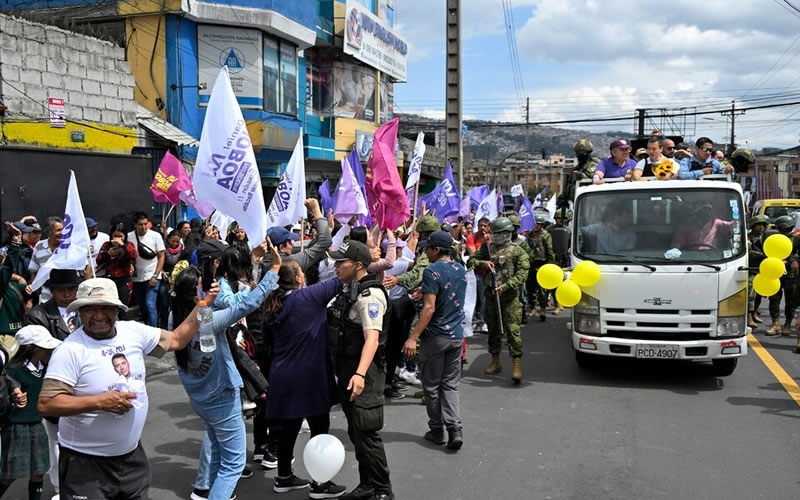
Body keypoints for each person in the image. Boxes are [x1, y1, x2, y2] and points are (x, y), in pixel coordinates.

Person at [37, 276, 217, 500]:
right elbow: (47, 404)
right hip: (85, 465)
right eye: (90, 309)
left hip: (131, 459)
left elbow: (177, 339)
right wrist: (100, 402)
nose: (99, 316)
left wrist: (204, 303)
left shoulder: (133, 332)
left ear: (117, 310)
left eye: (106, 308)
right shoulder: (70, 350)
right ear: (80, 312)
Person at [170, 244, 281, 500]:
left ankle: (208, 492)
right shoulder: (206, 319)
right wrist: (274, 269)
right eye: (203, 286)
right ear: (195, 296)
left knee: (219, 453)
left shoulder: (175, 320)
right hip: (220, 396)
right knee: (234, 464)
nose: (209, 288)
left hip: (200, 397)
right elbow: (247, 304)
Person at [261, 260, 347, 498]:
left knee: (289, 426)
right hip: (310, 374)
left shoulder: (272, 304)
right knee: (320, 427)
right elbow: (342, 279)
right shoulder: (309, 296)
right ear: (299, 279)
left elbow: (267, 341)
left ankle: (284, 477)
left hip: (282, 374)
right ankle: (321, 483)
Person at [327, 241, 393, 500]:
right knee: (356, 432)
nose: (335, 266)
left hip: (364, 372)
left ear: (357, 266)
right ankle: (368, 484)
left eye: (340, 262)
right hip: (348, 370)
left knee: (366, 432)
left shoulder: (370, 295)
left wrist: (360, 374)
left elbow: (372, 339)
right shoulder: (348, 290)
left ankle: (383, 490)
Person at [402, 231, 466, 451]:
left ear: (436, 250)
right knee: (450, 384)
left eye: (428, 248)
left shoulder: (432, 271)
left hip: (436, 337)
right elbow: (447, 296)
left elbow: (429, 308)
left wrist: (413, 337)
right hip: (456, 336)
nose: (425, 251)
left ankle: (437, 430)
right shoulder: (460, 269)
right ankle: (455, 429)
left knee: (431, 386)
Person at [0, 326, 61, 500]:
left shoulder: (44, 368)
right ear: (32, 348)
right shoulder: (13, 371)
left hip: (36, 424)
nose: (49, 351)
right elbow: (4, 397)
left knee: (38, 471)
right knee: (9, 474)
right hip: (16, 428)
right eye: (45, 347)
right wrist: (13, 399)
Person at [469, 217, 530, 383]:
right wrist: (483, 263)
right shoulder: (487, 248)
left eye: (503, 233)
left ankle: (516, 364)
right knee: (493, 330)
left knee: (513, 330)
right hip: (491, 296)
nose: (499, 236)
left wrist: (507, 286)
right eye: (496, 233)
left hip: (510, 298)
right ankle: (495, 361)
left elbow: (523, 273)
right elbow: (471, 260)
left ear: (509, 233)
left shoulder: (517, 250)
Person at [264, 199, 332, 273]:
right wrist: (316, 210)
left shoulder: (261, 262)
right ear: (281, 247)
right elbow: (325, 242)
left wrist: (328, 230)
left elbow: (317, 245)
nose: (292, 243)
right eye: (289, 242)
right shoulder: (288, 264)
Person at [128, 212, 166, 327]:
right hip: (137, 279)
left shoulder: (155, 236)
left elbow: (161, 256)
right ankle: (147, 329)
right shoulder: (129, 237)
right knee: (143, 307)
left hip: (152, 277)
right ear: (135, 225)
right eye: (140, 224)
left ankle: (154, 332)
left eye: (145, 224)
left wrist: (155, 275)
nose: (143, 227)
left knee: (150, 305)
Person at [763, 215, 798, 336]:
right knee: (774, 299)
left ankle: (787, 324)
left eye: (786, 229)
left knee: (790, 301)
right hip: (775, 273)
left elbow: (797, 255)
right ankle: (775, 324)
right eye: (782, 229)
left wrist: (788, 261)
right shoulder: (774, 239)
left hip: (790, 275)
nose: (784, 232)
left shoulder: (796, 240)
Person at [96, 224, 138, 316]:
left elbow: (134, 256)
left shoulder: (129, 245)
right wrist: (107, 254)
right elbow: (98, 260)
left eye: (120, 236)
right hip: (110, 280)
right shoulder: (106, 245)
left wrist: (123, 245)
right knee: (109, 308)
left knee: (123, 308)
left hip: (123, 280)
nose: (117, 239)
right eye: (115, 236)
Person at [464, 218, 491, 333]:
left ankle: (483, 322)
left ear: (489, 227)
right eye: (480, 226)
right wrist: (483, 243)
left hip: (486, 274)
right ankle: (473, 321)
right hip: (474, 274)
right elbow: (474, 255)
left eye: (485, 226)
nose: (482, 228)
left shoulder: (492, 239)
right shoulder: (472, 238)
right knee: (473, 299)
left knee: (484, 299)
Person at [526, 214, 555, 321]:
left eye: (538, 224)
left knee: (542, 289)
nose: (536, 226)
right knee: (530, 287)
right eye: (535, 224)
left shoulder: (545, 235)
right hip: (531, 264)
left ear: (542, 225)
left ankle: (542, 309)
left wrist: (551, 264)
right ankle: (532, 307)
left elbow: (550, 249)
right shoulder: (529, 235)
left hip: (542, 264)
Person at [670, 203, 735, 250]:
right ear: (696, 213)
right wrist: (675, 251)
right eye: (703, 212)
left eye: (709, 211)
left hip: (713, 256)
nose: (706, 214)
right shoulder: (684, 226)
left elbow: (732, 225)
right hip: (691, 256)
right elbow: (677, 244)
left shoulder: (716, 223)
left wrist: (737, 216)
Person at [28, 217, 64, 304]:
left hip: (67, 298)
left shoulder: (69, 247)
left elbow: (86, 268)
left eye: (63, 229)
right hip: (46, 299)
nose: (62, 233)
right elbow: (35, 272)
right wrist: (32, 295)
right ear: (49, 232)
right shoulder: (39, 246)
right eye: (58, 230)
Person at [560, 140, 599, 206]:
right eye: (578, 153)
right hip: (577, 203)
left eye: (583, 153)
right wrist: (563, 196)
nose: (580, 155)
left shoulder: (594, 165)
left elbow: (593, 178)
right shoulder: (577, 168)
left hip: (590, 201)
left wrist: (582, 176)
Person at [747, 215, 768, 328]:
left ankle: (755, 312)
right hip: (751, 269)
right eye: (759, 225)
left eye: (763, 225)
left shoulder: (765, 238)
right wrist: (763, 255)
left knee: (759, 294)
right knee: (751, 294)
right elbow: (749, 252)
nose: (761, 227)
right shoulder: (747, 238)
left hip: (762, 269)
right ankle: (749, 316)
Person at [160, 229, 184, 328]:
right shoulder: (163, 249)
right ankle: (164, 325)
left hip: (178, 280)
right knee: (165, 303)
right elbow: (159, 263)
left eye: (177, 241)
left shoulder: (182, 250)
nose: (175, 244)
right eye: (173, 241)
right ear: (168, 239)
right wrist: (162, 273)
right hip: (165, 279)